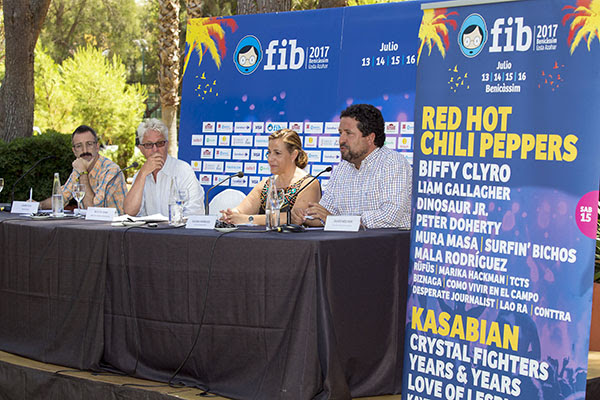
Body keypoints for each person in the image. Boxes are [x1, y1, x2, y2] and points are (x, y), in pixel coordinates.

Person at [292, 104, 412, 229]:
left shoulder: (392, 163)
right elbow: (325, 214)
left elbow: (390, 217)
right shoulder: (342, 168)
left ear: (370, 138)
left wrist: (337, 221)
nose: (341, 140)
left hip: (388, 240)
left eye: (348, 133)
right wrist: (305, 217)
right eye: (340, 133)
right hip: (347, 240)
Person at [220, 129, 321, 225]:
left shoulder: (309, 183)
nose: (270, 158)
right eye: (269, 152)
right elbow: (240, 210)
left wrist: (248, 219)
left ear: (293, 155)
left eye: (277, 153)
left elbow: (293, 218)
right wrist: (230, 215)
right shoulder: (266, 184)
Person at [124, 118, 205, 217]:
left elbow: (195, 211)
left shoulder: (182, 170)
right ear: (141, 149)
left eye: (160, 143)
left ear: (167, 144)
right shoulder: (140, 176)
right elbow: (130, 211)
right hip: (149, 227)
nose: (155, 149)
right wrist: (142, 174)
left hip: (178, 226)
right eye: (149, 145)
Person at [40, 125, 127, 214]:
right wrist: (38, 205)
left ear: (97, 147)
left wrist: (83, 173)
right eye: (79, 146)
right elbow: (61, 198)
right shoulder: (80, 167)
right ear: (74, 151)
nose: (85, 150)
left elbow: (92, 210)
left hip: (115, 222)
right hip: (91, 222)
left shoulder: (111, 170)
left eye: (89, 144)